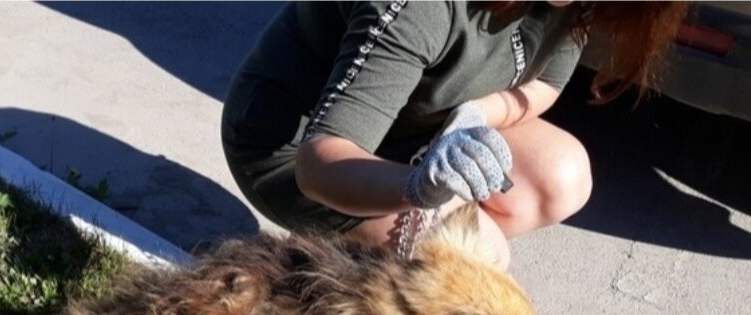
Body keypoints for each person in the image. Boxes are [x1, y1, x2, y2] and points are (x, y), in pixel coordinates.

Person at [221, 1, 687, 266]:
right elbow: (317, 161)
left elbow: (546, 83)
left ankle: (392, 272)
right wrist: (417, 189)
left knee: (563, 175)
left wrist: (473, 112)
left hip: (412, 126)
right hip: (291, 146)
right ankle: (374, 286)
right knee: (479, 255)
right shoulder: (421, 6)